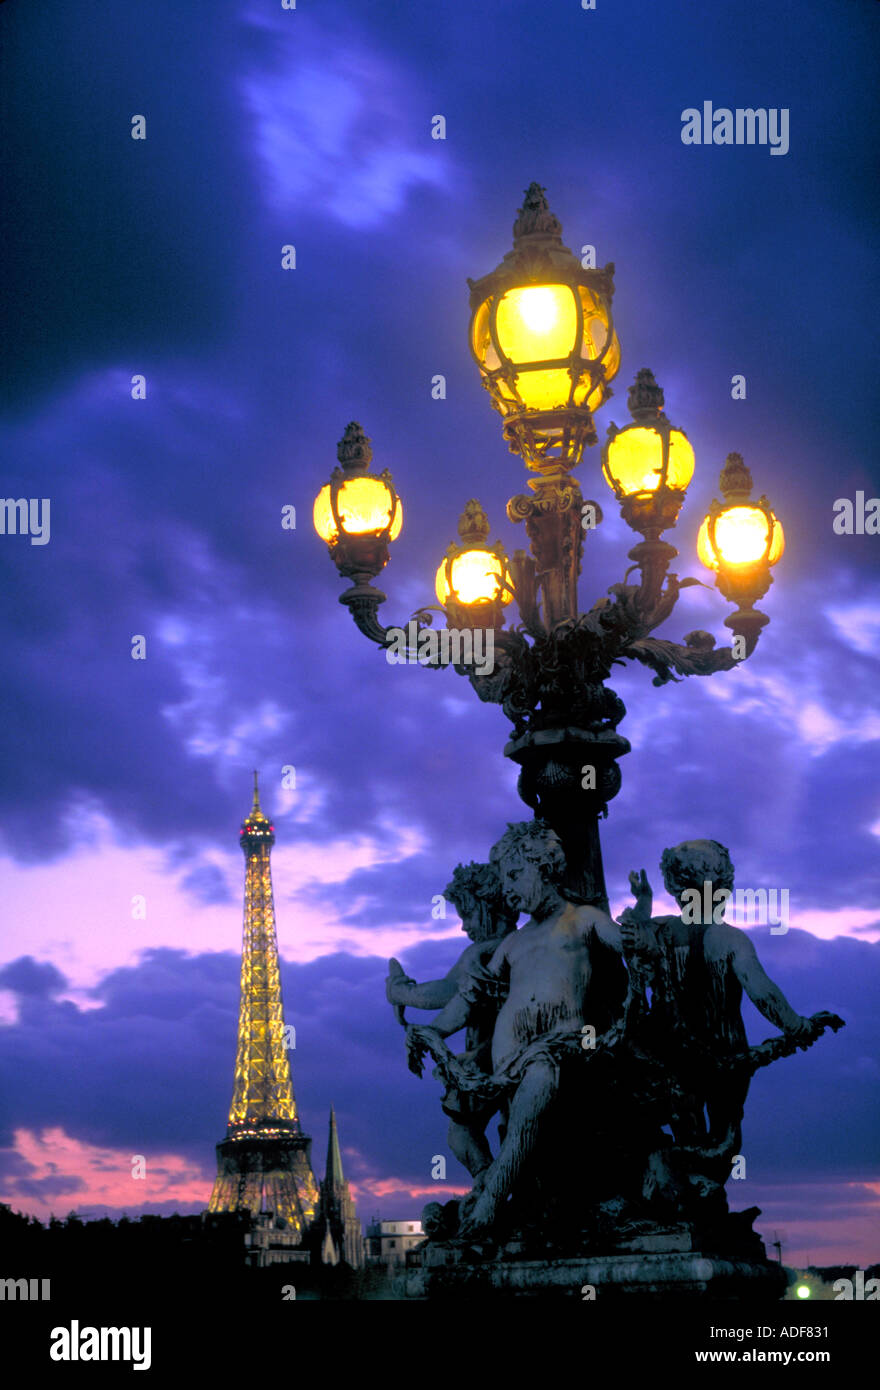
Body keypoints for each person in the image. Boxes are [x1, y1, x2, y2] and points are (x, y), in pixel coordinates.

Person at [385, 860, 519, 1178]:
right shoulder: (498, 947)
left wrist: (401, 992)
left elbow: (447, 992)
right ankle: (493, 1190)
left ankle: (491, 1189)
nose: (463, 926)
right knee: (484, 1132)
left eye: (467, 914)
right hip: (492, 1054)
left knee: (464, 1134)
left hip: (495, 1058)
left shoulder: (487, 952)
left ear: (488, 907)